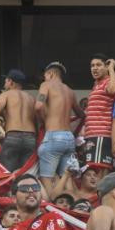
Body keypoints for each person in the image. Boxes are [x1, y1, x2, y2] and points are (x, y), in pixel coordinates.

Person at [35, 62, 84, 197]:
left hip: (53, 136)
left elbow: (38, 106)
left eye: (45, 75)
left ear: (50, 73)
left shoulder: (46, 85)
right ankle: (74, 208)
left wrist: (44, 120)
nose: (44, 79)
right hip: (68, 138)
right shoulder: (70, 91)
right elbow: (81, 115)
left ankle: (53, 209)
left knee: (47, 180)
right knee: (66, 179)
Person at [0, 69, 37, 171]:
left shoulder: (6, 94)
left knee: (8, 174)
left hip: (13, 136)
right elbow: (37, 119)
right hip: (30, 138)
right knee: (26, 174)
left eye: (6, 80)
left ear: (11, 82)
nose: (4, 83)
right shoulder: (31, 98)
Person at [83, 54, 115, 169]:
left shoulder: (108, 81)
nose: (94, 68)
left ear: (106, 67)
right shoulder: (96, 85)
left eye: (99, 65)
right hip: (93, 135)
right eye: (92, 65)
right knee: (92, 172)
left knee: (98, 171)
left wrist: (111, 69)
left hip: (101, 135)